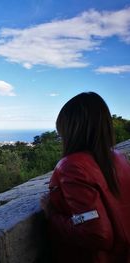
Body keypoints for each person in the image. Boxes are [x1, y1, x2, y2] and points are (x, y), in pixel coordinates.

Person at [40, 92, 130, 263]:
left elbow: (96, 234)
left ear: (72, 129)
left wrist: (52, 215)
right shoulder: (120, 158)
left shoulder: (73, 166)